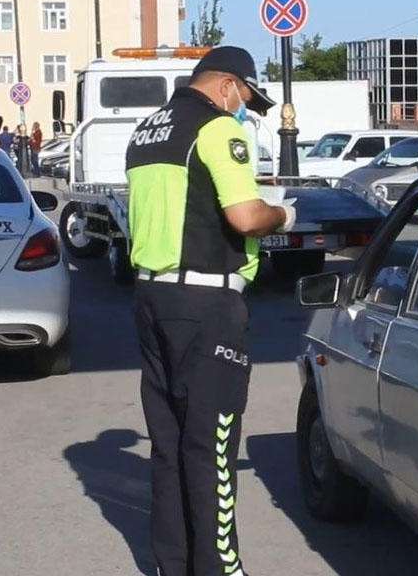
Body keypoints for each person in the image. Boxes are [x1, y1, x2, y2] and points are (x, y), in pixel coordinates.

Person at [124, 45, 295, 576]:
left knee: (169, 445)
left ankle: (174, 565)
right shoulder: (218, 129)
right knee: (213, 445)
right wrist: (283, 214)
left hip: (153, 297)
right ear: (226, 86)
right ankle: (221, 569)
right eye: (244, 97)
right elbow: (245, 216)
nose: (243, 109)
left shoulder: (147, 129)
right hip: (207, 303)